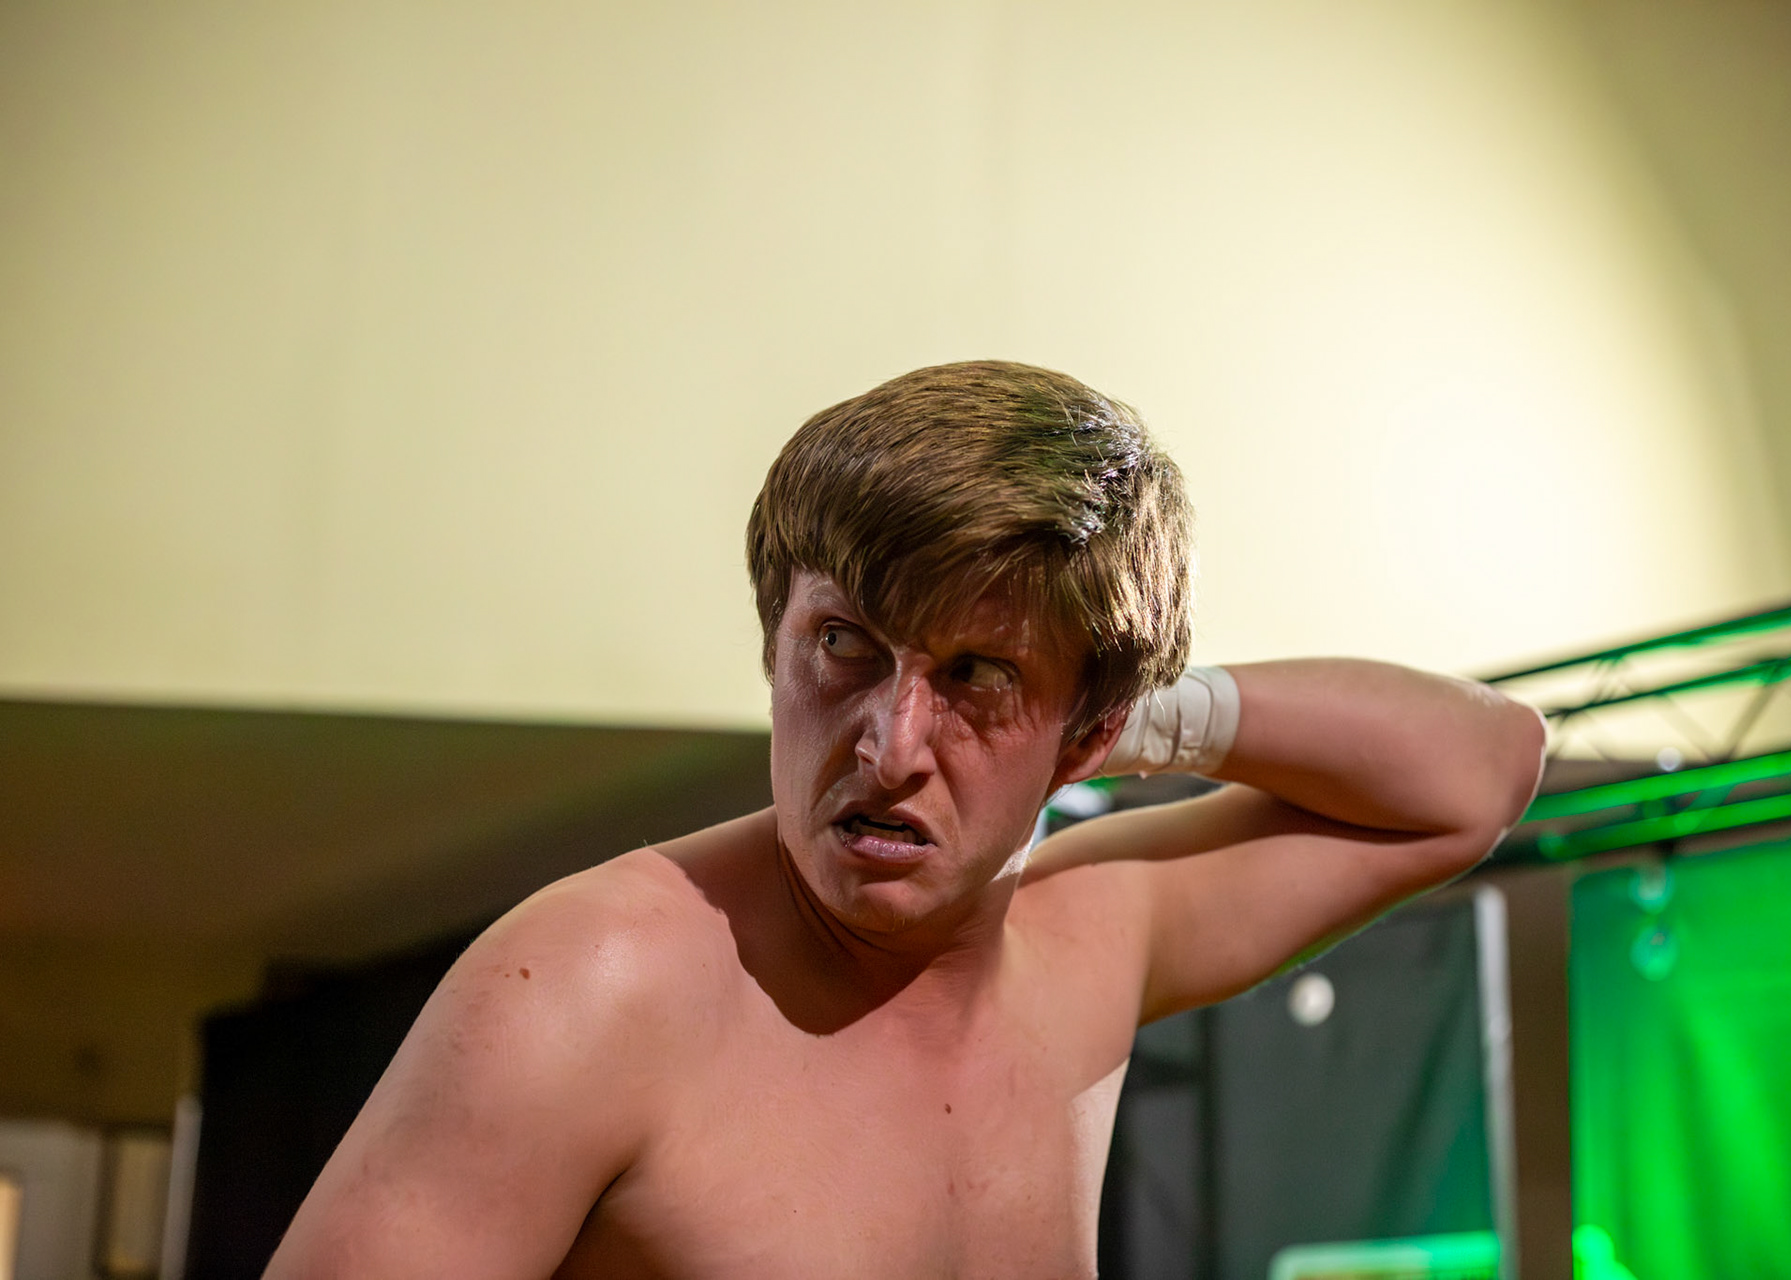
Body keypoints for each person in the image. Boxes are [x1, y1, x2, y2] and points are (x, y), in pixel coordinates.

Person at [265, 361, 1545, 1278]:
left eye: (977, 674)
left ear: (1088, 735)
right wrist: (1024, 698)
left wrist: (1147, 713)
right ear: (773, 645)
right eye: (843, 644)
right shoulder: (592, 984)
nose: (888, 746)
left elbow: (1480, 771)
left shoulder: (1089, 942)